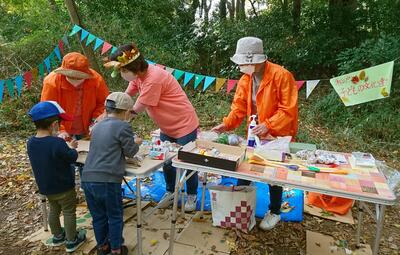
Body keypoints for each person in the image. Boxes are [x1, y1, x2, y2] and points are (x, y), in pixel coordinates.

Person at [212, 37, 298, 230]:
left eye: (243, 62)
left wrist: (268, 125)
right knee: (246, 168)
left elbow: (288, 110)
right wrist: (226, 124)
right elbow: (239, 108)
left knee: (274, 174)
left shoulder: (282, 76)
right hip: (254, 132)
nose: (241, 66)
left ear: (254, 60)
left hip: (277, 134)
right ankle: (240, 206)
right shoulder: (246, 79)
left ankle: (275, 211)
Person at [105, 43, 200, 212]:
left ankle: (191, 194)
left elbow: (134, 110)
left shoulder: (154, 78)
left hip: (184, 123)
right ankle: (171, 192)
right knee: (166, 161)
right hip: (166, 126)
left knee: (186, 162)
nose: (121, 74)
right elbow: (127, 96)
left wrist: (110, 123)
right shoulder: (139, 76)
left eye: (122, 70)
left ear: (132, 67)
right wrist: (113, 107)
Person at [81, 92, 142, 255]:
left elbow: (107, 148)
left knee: (98, 216)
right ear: (127, 112)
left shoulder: (97, 126)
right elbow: (130, 151)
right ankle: (116, 249)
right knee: (114, 215)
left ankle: (103, 247)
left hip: (87, 177)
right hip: (107, 179)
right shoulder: (123, 126)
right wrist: (136, 143)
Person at [26, 101, 86, 253]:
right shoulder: (57, 142)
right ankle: (72, 241)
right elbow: (71, 157)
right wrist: (72, 148)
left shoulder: (31, 142)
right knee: (68, 211)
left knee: (53, 209)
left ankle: (58, 236)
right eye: (59, 124)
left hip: (46, 187)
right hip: (63, 186)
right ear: (54, 125)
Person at [40, 52, 110, 140]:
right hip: (59, 127)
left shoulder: (96, 80)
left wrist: (95, 121)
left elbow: (104, 103)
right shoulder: (51, 82)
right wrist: (60, 130)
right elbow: (48, 109)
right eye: (71, 77)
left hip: (87, 127)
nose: (76, 81)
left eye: (80, 78)